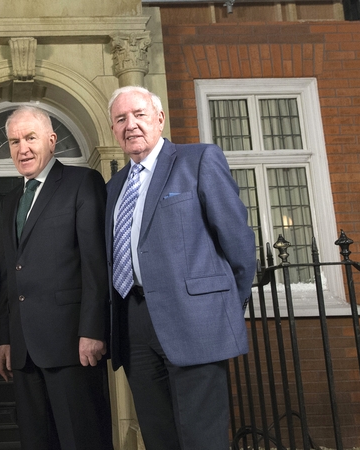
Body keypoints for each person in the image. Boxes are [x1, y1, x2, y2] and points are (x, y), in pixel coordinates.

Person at [105, 85, 256, 450]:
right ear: (113, 130)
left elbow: (238, 242)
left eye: (139, 114)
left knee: (202, 438)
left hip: (195, 320)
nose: (131, 125)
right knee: (159, 436)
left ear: (159, 118)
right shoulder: (114, 187)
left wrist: (220, 307)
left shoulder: (198, 160)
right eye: (121, 119)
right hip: (134, 322)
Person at [0, 105, 113, 450]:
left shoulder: (82, 183)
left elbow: (96, 263)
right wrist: (5, 337)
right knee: (37, 441)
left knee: (82, 439)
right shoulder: (11, 198)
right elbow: (8, 273)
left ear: (52, 140)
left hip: (72, 345)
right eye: (14, 141)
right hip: (24, 349)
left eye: (30, 138)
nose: (23, 148)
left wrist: (92, 330)